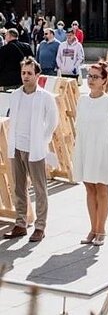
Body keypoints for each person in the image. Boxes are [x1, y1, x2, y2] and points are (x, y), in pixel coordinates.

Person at [2, 58, 59, 242]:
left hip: (35, 149)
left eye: (29, 73)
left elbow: (52, 121)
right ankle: (20, 223)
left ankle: (40, 226)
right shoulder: (16, 94)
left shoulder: (45, 97)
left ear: (37, 75)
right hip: (17, 146)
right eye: (23, 73)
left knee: (40, 188)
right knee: (19, 186)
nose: (25, 76)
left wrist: (42, 141)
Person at [72, 60, 108, 246]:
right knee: (89, 188)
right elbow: (79, 125)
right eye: (89, 76)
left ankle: (101, 229)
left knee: (102, 188)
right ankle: (92, 229)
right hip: (85, 148)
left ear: (104, 80)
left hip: (102, 150)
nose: (91, 80)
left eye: (95, 77)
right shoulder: (82, 100)